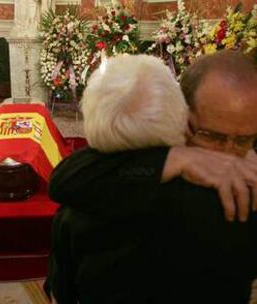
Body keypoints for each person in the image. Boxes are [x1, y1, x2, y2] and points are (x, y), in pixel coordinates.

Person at [45, 50, 257, 303]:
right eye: (212, 136)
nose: (228, 155)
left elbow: (62, 290)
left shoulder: (82, 201)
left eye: (243, 140)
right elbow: (64, 178)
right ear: (183, 115)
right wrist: (174, 159)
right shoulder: (98, 183)